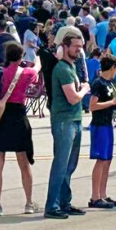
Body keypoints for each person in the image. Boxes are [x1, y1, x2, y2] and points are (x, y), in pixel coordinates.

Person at [0, 43, 40, 216]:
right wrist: (36, 61)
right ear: (21, 56)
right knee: (24, 163)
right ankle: (28, 203)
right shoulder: (26, 73)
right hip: (18, 117)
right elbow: (36, 73)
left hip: (0, 116)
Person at [45, 32, 91, 219]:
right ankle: (52, 206)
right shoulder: (62, 69)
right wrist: (85, 90)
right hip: (64, 121)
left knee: (70, 165)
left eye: (80, 47)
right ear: (65, 47)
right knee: (61, 164)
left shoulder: (72, 66)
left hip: (74, 120)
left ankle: (64, 202)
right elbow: (72, 98)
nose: (79, 50)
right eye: (75, 46)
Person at [87, 54, 116, 210]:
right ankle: (95, 196)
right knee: (101, 159)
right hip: (99, 124)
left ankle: (102, 194)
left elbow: (114, 102)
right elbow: (92, 106)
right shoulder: (98, 83)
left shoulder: (111, 83)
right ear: (112, 68)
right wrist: (112, 102)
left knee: (107, 160)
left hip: (108, 123)